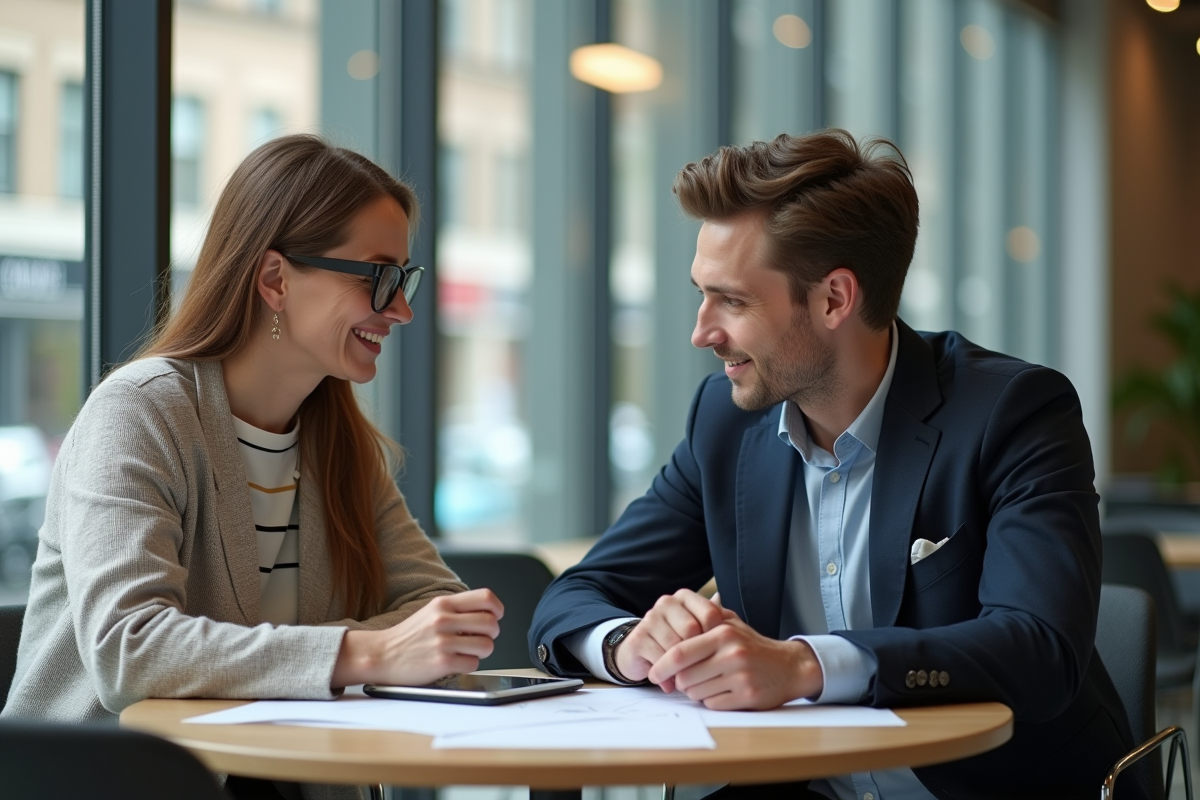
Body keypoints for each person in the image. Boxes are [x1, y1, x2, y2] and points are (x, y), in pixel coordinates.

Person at [529, 130, 1136, 800]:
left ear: (833, 300)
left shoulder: (1012, 412)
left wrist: (803, 666)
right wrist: (627, 643)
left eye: (731, 299)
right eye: (702, 294)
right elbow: (571, 599)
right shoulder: (726, 422)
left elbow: (1039, 650)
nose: (701, 331)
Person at [2, 135, 503, 798]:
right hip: (118, 784)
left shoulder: (340, 444)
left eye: (404, 280)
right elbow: (130, 650)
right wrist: (371, 652)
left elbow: (445, 616)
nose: (402, 309)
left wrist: (278, 656)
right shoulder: (142, 412)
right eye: (379, 277)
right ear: (274, 279)